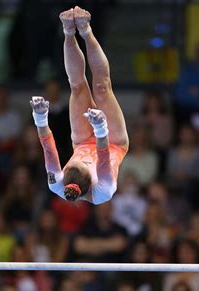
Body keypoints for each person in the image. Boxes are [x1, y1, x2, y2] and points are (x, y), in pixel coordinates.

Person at [31, 6, 129, 205]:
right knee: (102, 87)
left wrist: (40, 118)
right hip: (114, 142)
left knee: (77, 87)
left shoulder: (55, 183)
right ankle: (86, 31)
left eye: (71, 164)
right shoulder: (103, 191)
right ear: (90, 180)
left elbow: (49, 150)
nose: (82, 161)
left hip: (82, 140)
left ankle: (68, 32)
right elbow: (102, 158)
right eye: (84, 165)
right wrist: (101, 126)